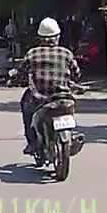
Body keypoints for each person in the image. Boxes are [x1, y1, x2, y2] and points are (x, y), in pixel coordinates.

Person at [17, 17, 81, 156]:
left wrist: (16, 79)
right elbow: (76, 74)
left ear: (40, 38)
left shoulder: (32, 53)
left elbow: (21, 73)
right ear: (57, 37)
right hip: (64, 97)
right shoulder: (66, 53)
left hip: (40, 99)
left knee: (26, 107)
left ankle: (32, 142)